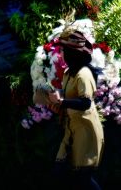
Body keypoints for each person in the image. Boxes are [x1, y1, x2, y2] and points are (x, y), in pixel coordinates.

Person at [46, 27, 104, 189]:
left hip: (86, 131)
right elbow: (68, 98)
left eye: (63, 50)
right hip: (71, 129)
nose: (61, 53)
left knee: (82, 177)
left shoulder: (84, 74)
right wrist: (55, 102)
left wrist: (62, 102)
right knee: (61, 173)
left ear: (72, 53)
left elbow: (85, 103)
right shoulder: (67, 73)